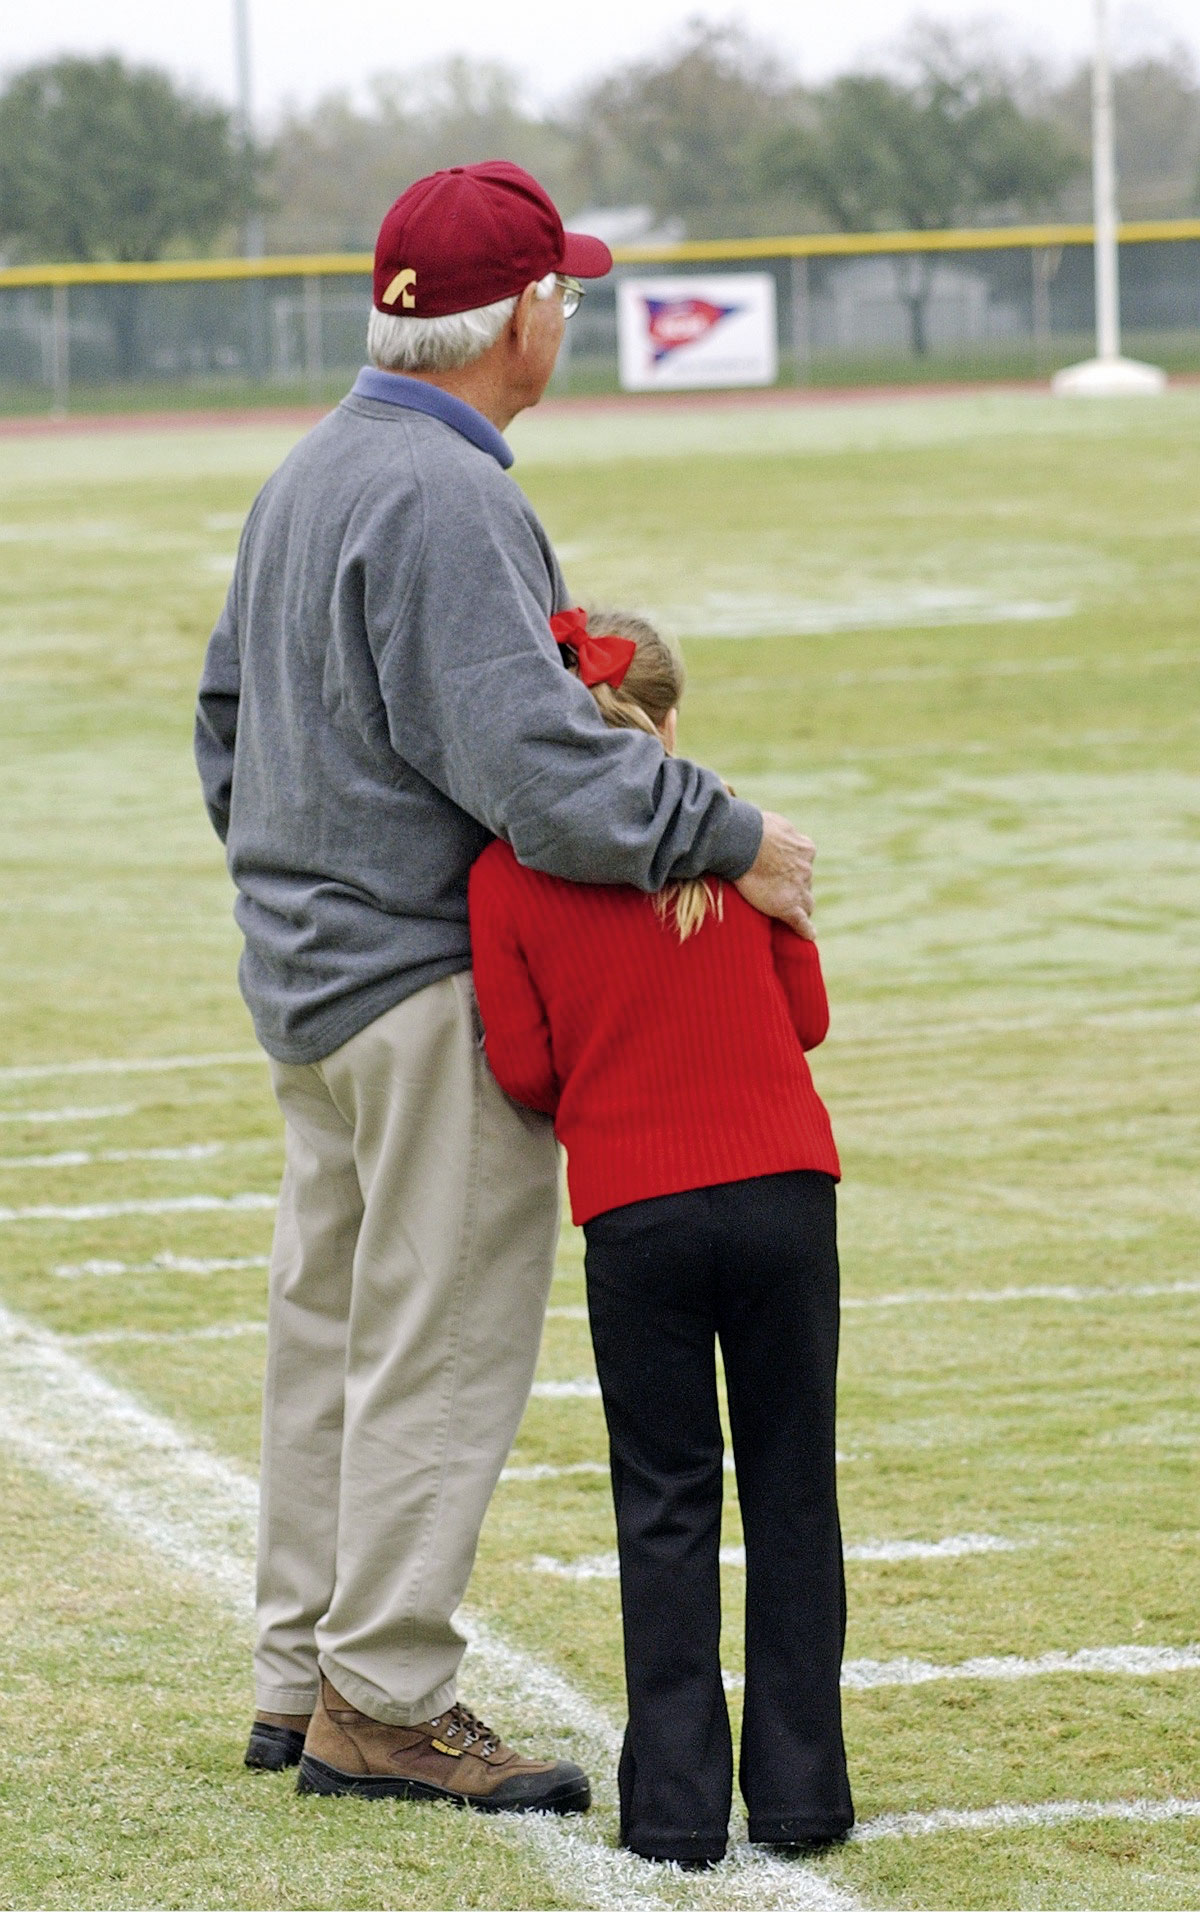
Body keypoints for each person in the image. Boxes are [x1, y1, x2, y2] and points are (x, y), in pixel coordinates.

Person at [194, 161, 818, 1813]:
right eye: (568, 293)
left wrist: (294, 903)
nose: (572, 316)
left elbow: (222, 731)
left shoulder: (311, 469)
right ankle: (382, 1699)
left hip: (310, 984)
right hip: (417, 990)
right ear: (524, 316)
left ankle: (297, 1669)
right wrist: (732, 833)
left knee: (326, 1333)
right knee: (437, 1346)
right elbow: (547, 774)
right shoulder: (451, 494)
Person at [469, 606, 854, 1865]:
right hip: (785, 1189)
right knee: (793, 1489)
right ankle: (803, 1798)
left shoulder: (506, 872)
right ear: (670, 723)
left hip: (636, 1209)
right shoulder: (743, 840)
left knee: (667, 1501)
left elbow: (525, 1071)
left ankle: (679, 1814)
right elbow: (804, 1016)